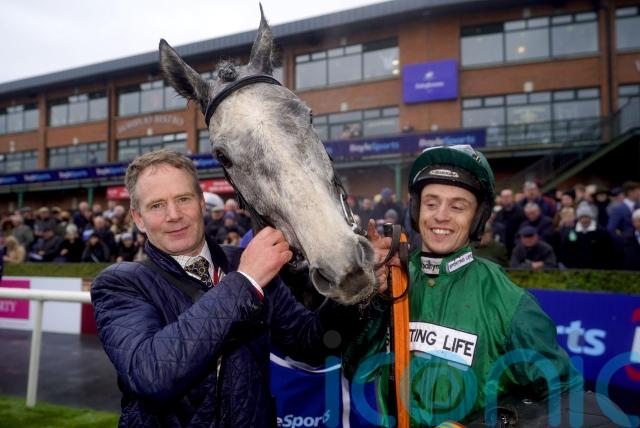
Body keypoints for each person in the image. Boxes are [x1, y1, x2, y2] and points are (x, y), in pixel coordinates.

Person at [90, 150, 374, 427]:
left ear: (202, 203)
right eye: (156, 205)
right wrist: (246, 281)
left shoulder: (245, 261)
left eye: (183, 199)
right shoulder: (119, 283)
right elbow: (151, 375)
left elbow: (310, 343)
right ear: (138, 218)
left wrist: (357, 286)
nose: (173, 214)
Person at [344, 145, 579, 426]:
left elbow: (565, 393)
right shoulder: (393, 280)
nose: (441, 216)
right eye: (431, 203)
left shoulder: (508, 300)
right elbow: (357, 369)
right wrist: (371, 295)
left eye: (457, 206)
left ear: (477, 218)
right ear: (417, 210)